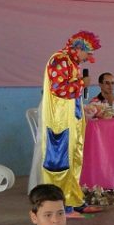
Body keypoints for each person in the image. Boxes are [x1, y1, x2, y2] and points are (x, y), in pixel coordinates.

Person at [39, 31, 100, 214]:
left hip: (72, 121)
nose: (88, 58)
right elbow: (59, 89)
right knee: (59, 164)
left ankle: (74, 201)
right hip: (59, 123)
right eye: (87, 54)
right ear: (79, 48)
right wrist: (82, 83)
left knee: (74, 161)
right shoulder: (59, 60)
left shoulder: (73, 63)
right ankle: (60, 207)